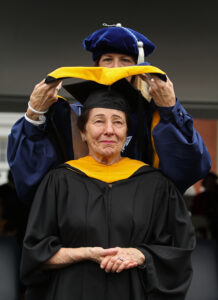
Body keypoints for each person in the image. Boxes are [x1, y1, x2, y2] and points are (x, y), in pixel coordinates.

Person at [21, 79, 195, 300]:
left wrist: (141, 254)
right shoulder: (59, 181)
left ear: (126, 134)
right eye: (98, 121)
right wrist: (85, 253)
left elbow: (178, 249)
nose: (109, 130)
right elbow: (34, 255)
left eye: (118, 122)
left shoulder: (155, 185)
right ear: (83, 132)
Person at [7, 23, 211, 203]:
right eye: (108, 60)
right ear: (96, 67)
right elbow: (30, 180)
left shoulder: (154, 115)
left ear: (138, 69)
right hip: (80, 211)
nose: (115, 68)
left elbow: (189, 167)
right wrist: (34, 114)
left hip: (141, 212)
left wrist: (170, 110)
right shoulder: (71, 117)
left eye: (125, 60)